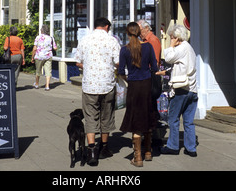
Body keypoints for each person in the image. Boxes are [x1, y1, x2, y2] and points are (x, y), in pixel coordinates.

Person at [75, 17, 120, 166]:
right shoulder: (112, 41)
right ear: (107, 27)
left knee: (90, 117)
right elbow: (118, 62)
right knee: (106, 116)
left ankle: (92, 150)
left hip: (90, 85)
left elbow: (78, 62)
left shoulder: (85, 40)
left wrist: (88, 66)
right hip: (107, 84)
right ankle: (104, 148)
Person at [118, 22, 158, 166]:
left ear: (128, 34)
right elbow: (154, 66)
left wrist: (128, 79)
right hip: (146, 84)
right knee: (147, 114)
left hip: (134, 86)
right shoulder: (148, 47)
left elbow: (121, 71)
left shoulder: (124, 50)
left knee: (136, 119)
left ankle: (138, 157)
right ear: (140, 32)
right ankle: (148, 152)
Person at [159, 24, 198, 157]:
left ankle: (173, 146)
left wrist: (171, 44)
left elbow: (168, 58)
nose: (171, 39)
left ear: (176, 37)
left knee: (173, 118)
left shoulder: (181, 48)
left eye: (172, 37)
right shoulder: (190, 48)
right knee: (188, 121)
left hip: (181, 89)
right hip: (192, 89)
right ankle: (191, 148)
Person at [31, 24, 57, 91]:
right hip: (48, 56)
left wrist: (32, 57)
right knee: (48, 71)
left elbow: (34, 48)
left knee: (38, 70)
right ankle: (47, 86)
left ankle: (37, 84)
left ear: (42, 30)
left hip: (39, 56)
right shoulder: (51, 38)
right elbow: (55, 47)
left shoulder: (38, 37)